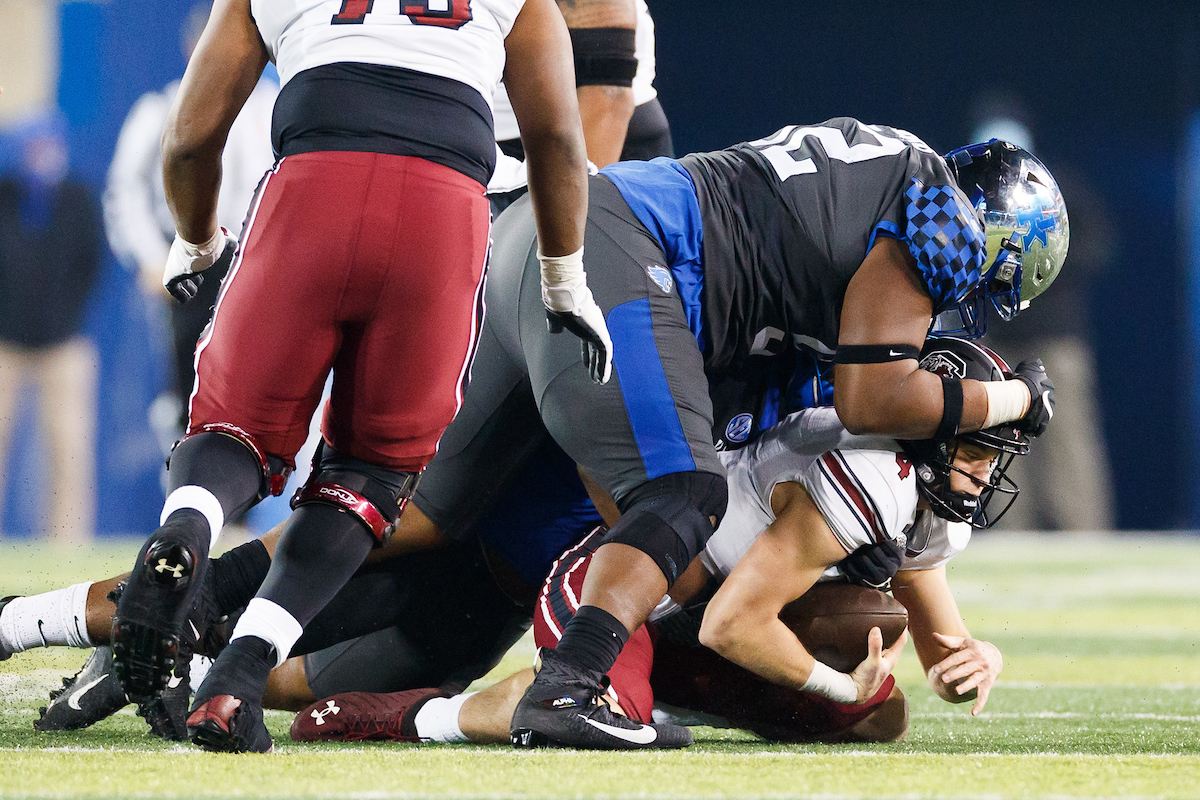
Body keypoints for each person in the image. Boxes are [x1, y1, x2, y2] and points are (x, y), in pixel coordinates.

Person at [404, 120, 1067, 748]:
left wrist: (971, 657)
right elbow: (871, 404)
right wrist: (1015, 398)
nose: (984, 475)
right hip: (655, 570)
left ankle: (649, 695)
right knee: (674, 501)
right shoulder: (929, 242)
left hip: (584, 250)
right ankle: (495, 702)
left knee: (879, 716)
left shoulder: (816, 340)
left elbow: (937, 649)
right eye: (976, 448)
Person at [9, 337, 1018, 747]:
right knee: (258, 581)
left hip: (511, 600)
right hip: (490, 529)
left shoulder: (872, 464)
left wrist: (956, 656)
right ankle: (40, 621)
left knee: (284, 683)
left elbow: (919, 621)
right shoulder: (657, 348)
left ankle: (165, 665)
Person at [109, 0, 602, 754]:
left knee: (233, 429)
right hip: (443, 209)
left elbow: (192, 136)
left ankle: (189, 523)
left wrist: (195, 238)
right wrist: (565, 278)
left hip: (313, 185)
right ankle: (241, 673)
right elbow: (559, 140)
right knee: (370, 477)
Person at [0, 112, 104, 543]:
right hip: (5, 343)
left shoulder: (79, 199)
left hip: (64, 345)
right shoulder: (5, 197)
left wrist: (67, 319)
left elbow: (92, 266)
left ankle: (67, 547)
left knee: (68, 451)